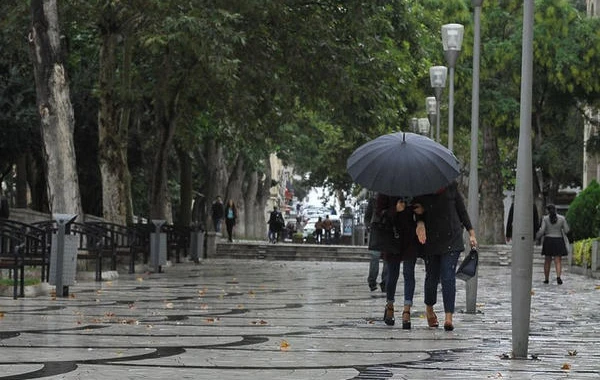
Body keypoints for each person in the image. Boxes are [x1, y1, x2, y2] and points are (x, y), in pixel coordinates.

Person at [413, 181, 477, 331]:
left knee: (448, 276)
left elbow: (461, 211)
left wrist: (471, 233)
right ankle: (429, 309)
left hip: (451, 238)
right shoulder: (421, 188)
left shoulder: (451, 186)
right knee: (432, 277)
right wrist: (420, 221)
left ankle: (449, 317)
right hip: (431, 239)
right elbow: (417, 213)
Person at [378, 194, 420, 329]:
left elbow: (422, 212)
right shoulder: (385, 189)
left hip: (410, 239)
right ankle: (389, 305)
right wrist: (395, 209)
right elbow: (379, 213)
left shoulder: (415, 189)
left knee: (409, 273)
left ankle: (407, 310)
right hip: (392, 238)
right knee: (392, 275)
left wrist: (420, 213)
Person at [535, 204, 570, 285]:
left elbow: (542, 230)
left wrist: (536, 237)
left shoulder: (545, 219)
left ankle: (546, 279)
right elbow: (566, 230)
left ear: (547, 210)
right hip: (558, 240)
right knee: (558, 261)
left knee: (547, 261)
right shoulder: (562, 218)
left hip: (548, 240)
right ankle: (558, 277)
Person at [365, 194, 387, 292]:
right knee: (375, 256)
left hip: (388, 229)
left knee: (387, 257)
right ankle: (372, 281)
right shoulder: (373, 199)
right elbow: (367, 215)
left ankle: (385, 282)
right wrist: (368, 226)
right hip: (376, 229)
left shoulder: (393, 196)